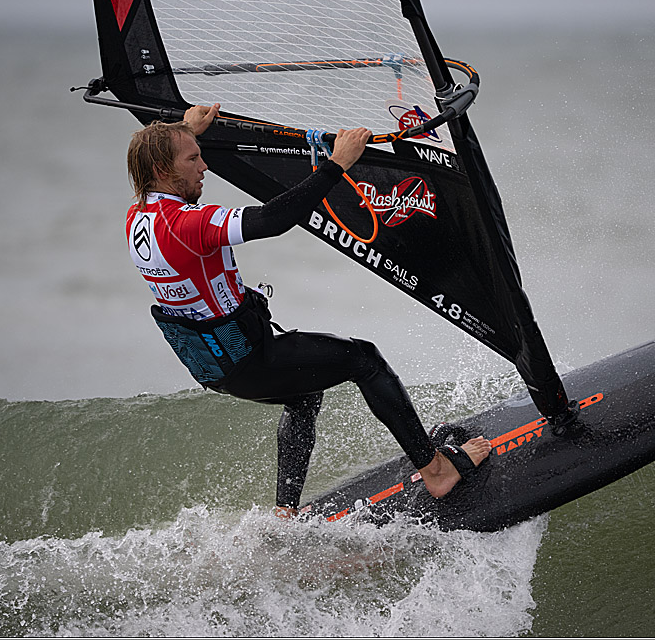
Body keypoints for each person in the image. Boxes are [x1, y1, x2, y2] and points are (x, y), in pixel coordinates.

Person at [125, 103, 491, 517]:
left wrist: (186, 131)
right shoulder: (188, 224)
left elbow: (158, 166)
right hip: (248, 357)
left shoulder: (139, 217)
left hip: (217, 364)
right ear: (161, 168)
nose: (204, 167)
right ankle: (437, 470)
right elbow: (272, 219)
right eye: (193, 159)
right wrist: (338, 164)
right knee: (364, 359)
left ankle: (285, 511)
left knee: (303, 395)